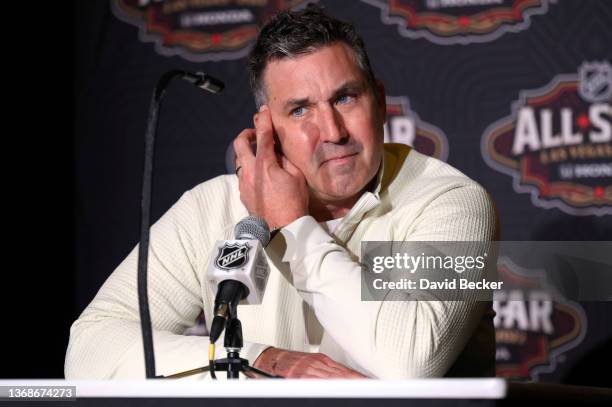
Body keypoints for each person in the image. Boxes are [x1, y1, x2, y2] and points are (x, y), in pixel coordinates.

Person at [65, 4, 498, 379]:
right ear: (267, 126)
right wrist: (263, 363)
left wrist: (293, 224)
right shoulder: (211, 205)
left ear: (379, 102)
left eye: (345, 98)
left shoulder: (451, 202)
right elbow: (90, 348)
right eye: (300, 109)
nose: (332, 131)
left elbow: (408, 361)